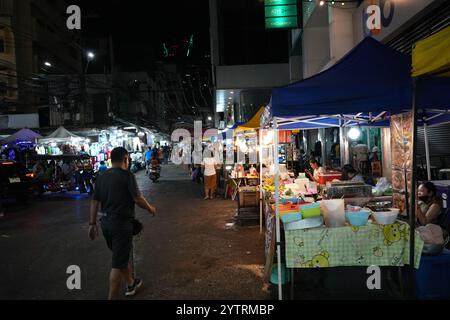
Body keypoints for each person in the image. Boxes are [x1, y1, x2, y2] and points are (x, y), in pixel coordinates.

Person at [88, 147, 156, 300]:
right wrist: (151, 208)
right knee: (117, 265)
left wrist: (92, 224)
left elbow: (94, 201)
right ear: (125, 159)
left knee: (120, 256)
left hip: (105, 223)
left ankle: (131, 283)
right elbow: (137, 199)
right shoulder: (127, 175)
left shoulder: (102, 176)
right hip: (121, 225)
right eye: (128, 160)